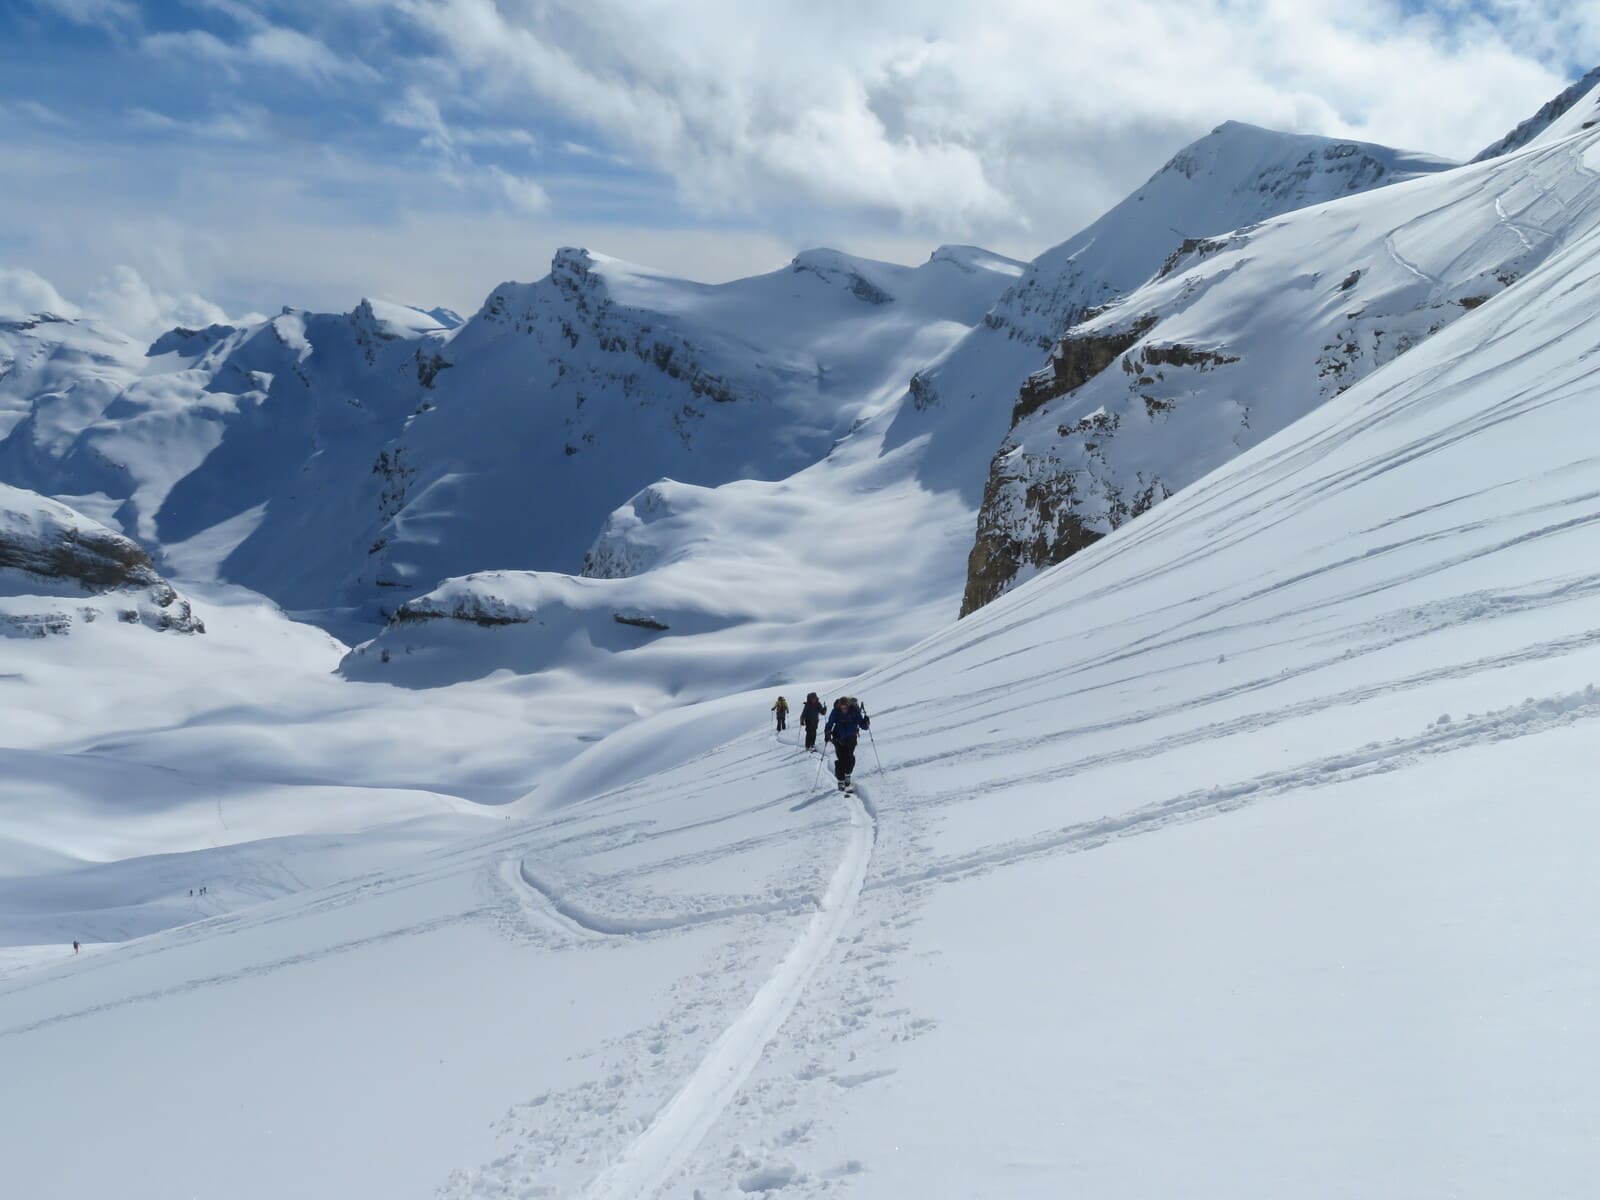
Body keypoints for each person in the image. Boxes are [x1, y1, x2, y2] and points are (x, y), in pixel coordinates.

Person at [824, 696, 870, 791]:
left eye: (845, 707)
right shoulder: (836, 711)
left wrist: (866, 722)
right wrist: (827, 732)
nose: (844, 709)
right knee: (841, 759)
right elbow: (830, 723)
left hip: (851, 738)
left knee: (849, 758)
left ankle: (847, 774)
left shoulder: (854, 711)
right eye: (842, 708)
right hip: (838, 738)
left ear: (848, 706)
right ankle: (841, 781)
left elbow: (863, 725)